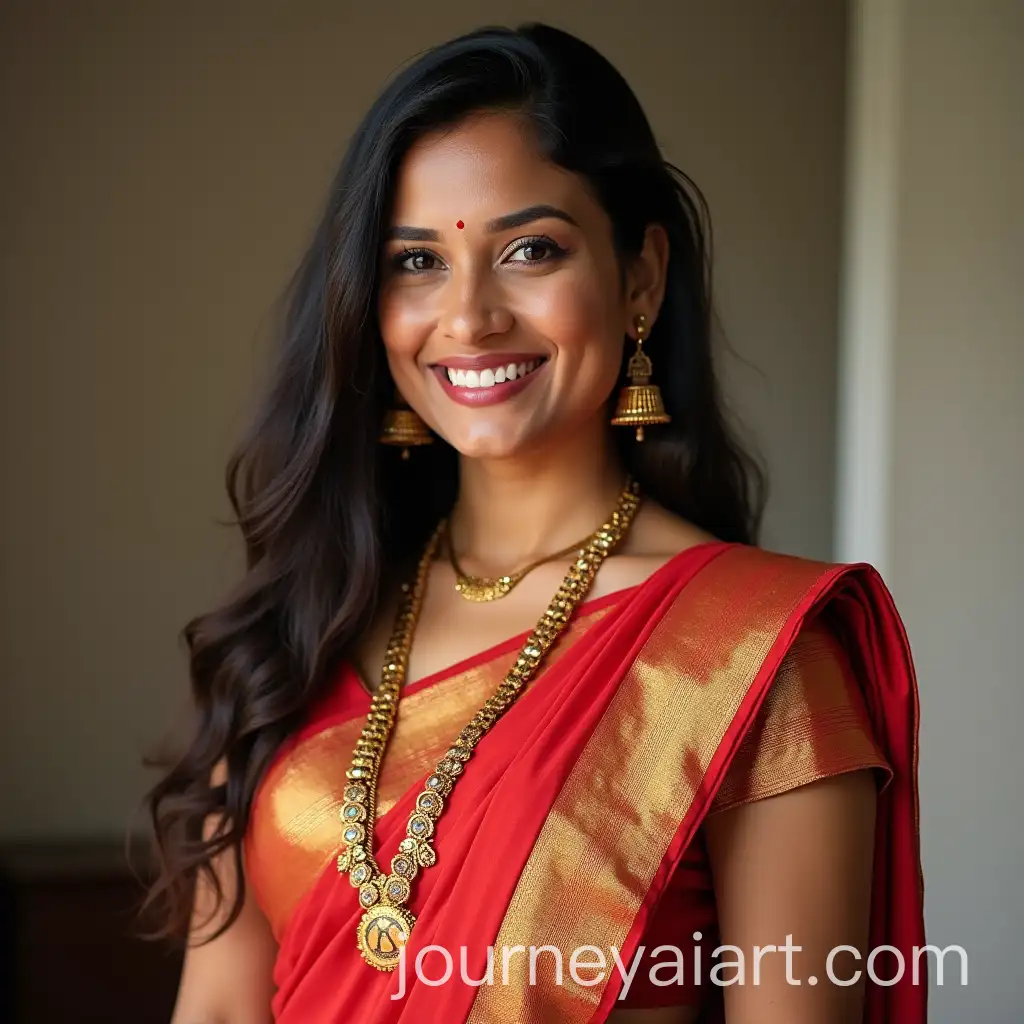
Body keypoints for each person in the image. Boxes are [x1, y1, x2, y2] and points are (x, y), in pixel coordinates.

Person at [144, 23, 926, 1024]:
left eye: (530, 250)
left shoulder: (749, 655)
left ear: (640, 277)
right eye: (415, 261)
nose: (468, 318)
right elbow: (215, 1008)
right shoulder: (301, 622)